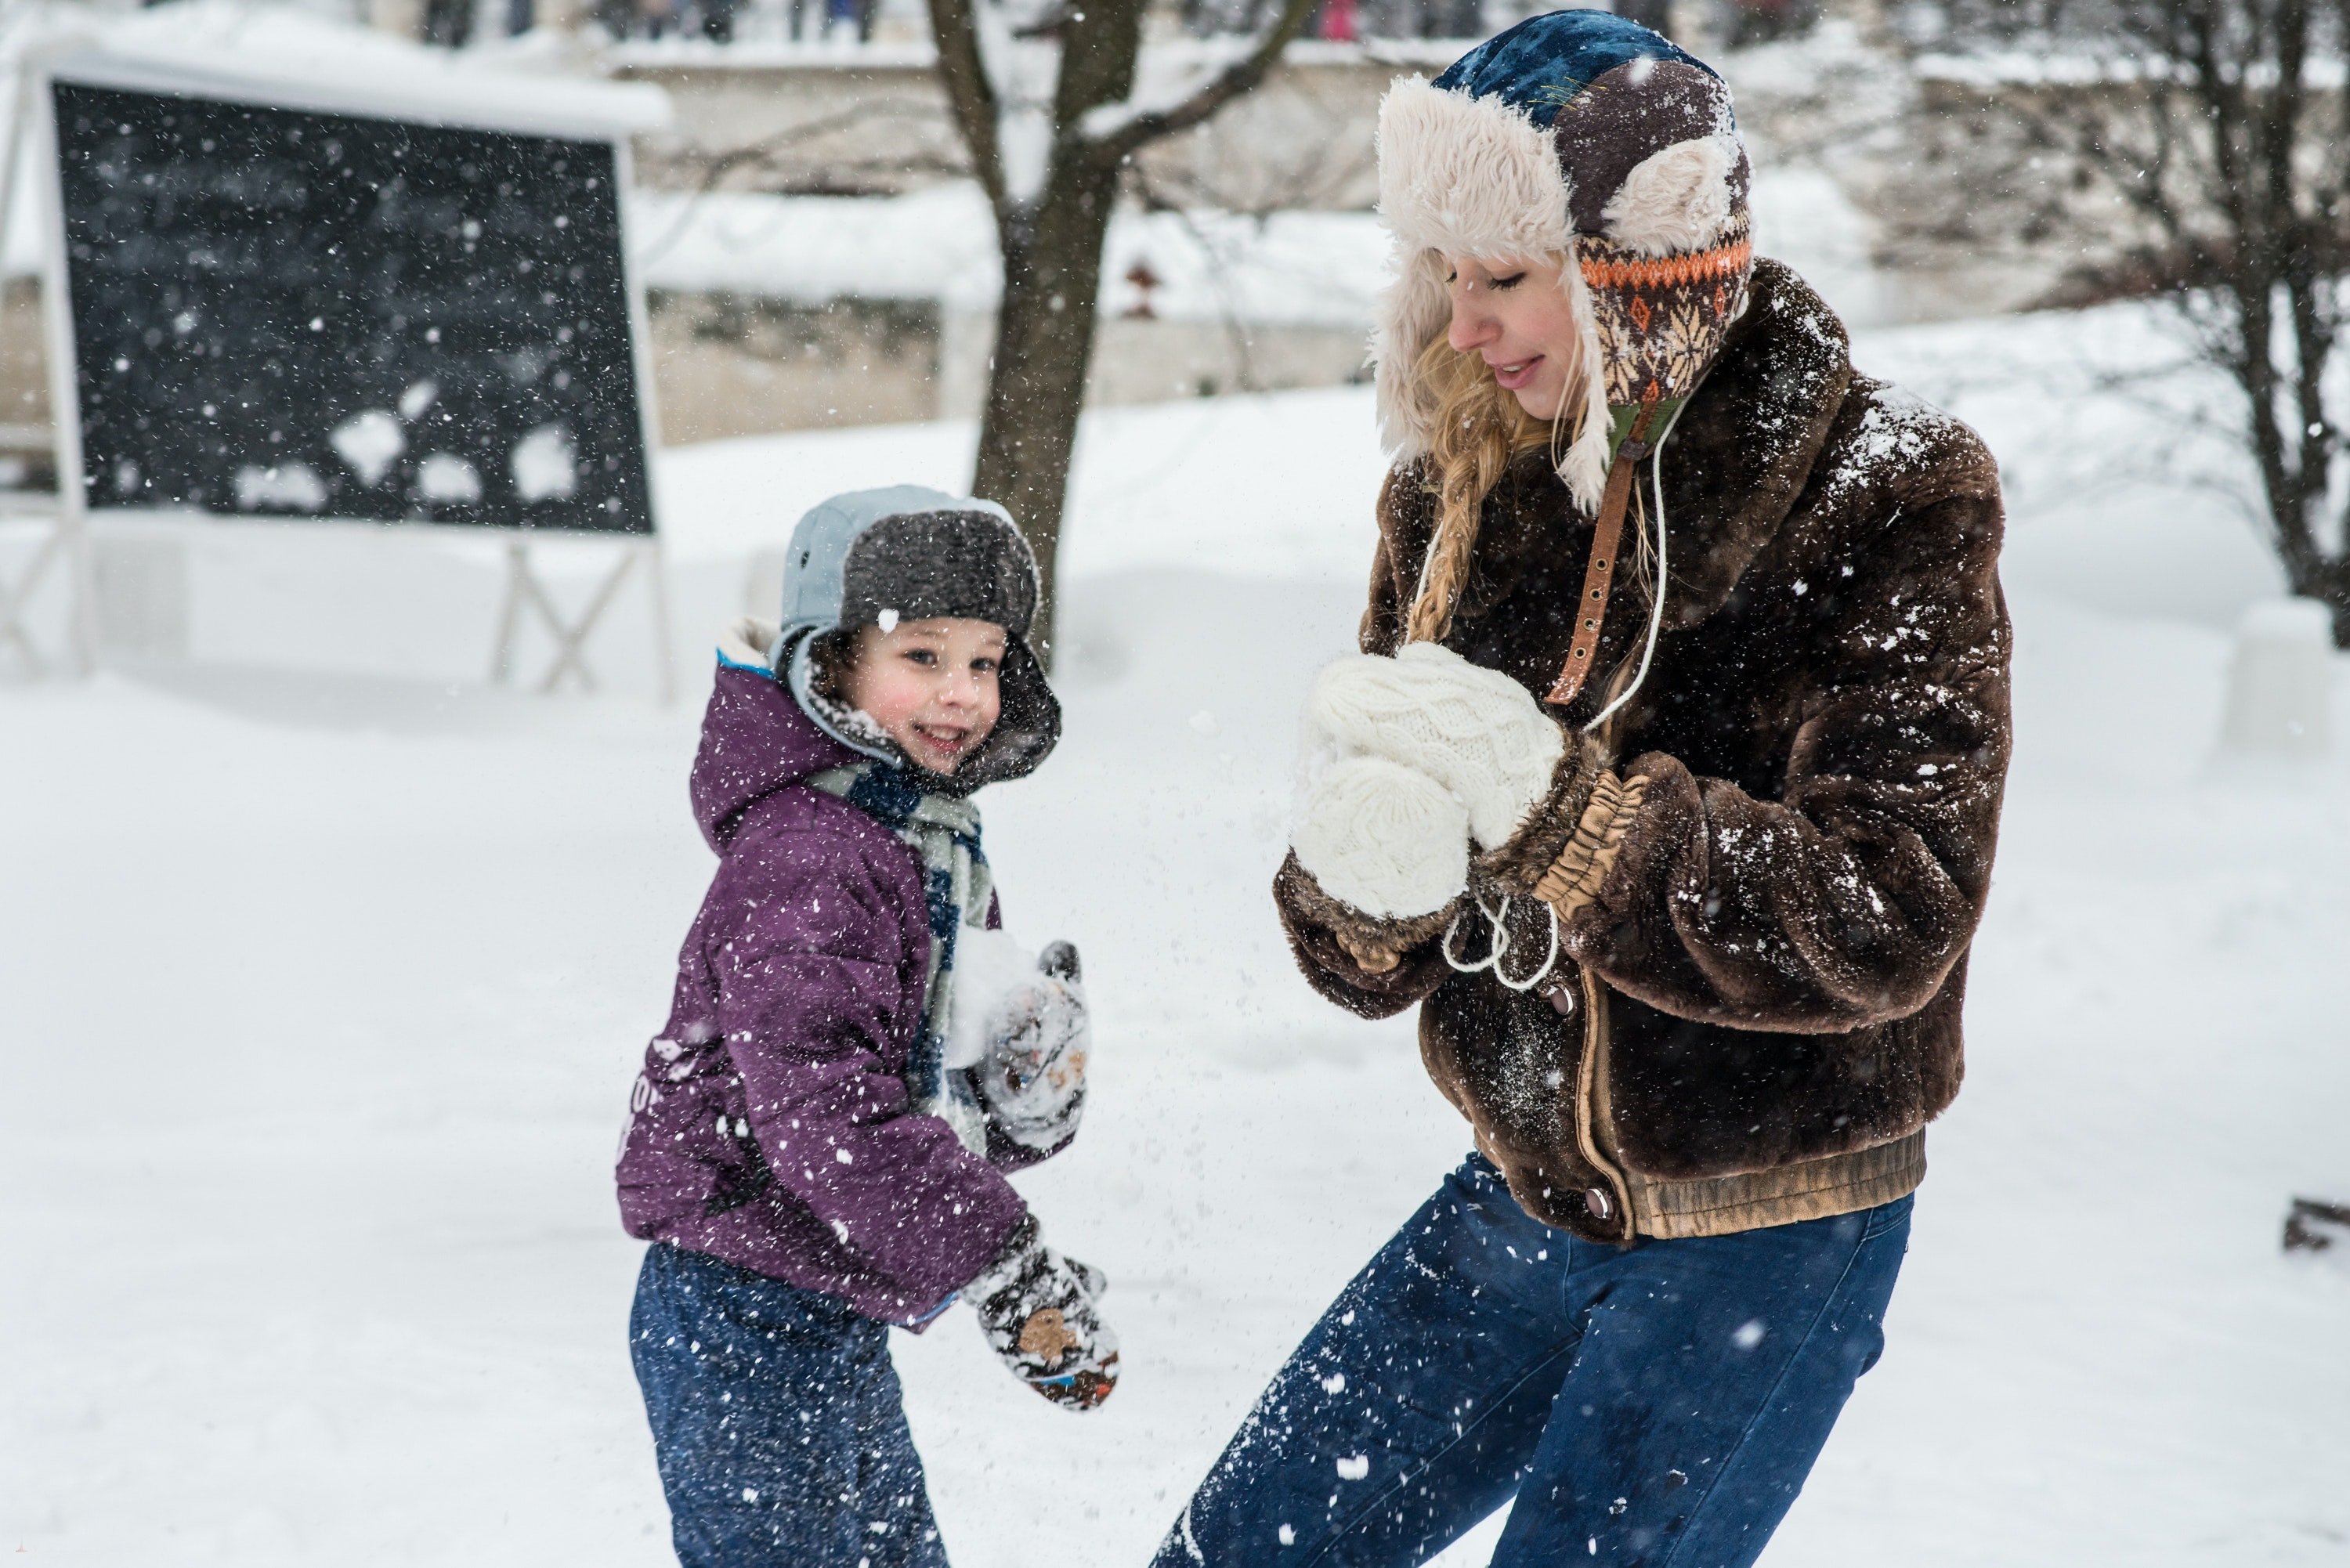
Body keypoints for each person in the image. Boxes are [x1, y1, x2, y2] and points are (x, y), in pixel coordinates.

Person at [1155, 13, 2009, 1566]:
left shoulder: (1886, 489)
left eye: (1502, 276)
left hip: (1771, 1223)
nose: (1461, 328)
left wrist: (1576, 826)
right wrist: (1361, 884)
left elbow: (1895, 907)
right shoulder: (1458, 478)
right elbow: (1375, 937)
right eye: (1442, 277)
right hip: (1522, 1183)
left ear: (1642, 265)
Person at [616, 486, 1119, 1568]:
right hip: (736, 1315)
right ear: (829, 663)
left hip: (827, 1309)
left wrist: (1023, 1097)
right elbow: (823, 1118)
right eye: (923, 656)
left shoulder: (923, 837)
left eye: (986, 661)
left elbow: (915, 1091)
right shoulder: (811, 856)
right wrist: (1004, 1258)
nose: (961, 694)